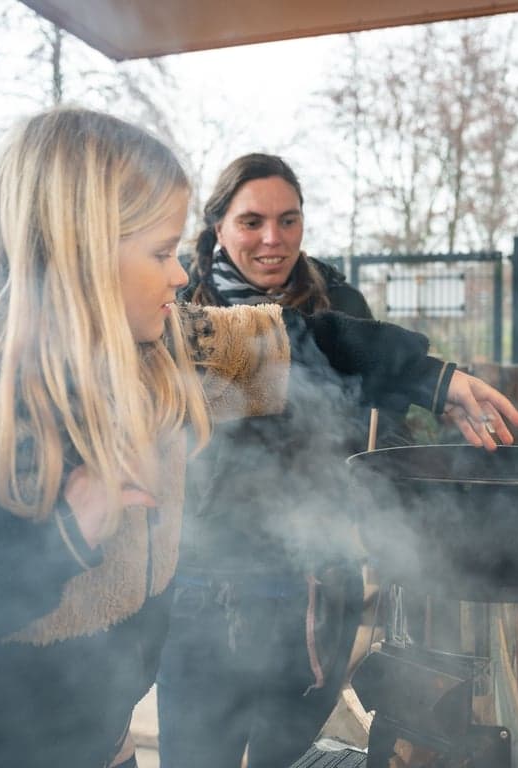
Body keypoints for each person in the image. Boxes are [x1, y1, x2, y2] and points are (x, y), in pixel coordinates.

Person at [0, 106, 518, 768]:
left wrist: (434, 380)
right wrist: (63, 536)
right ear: (78, 251)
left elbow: (300, 344)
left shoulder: (157, 352)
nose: (180, 273)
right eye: (159, 252)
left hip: (103, 740)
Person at [156, 153, 406, 767]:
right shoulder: (174, 302)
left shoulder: (338, 300)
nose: (274, 239)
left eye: (289, 220)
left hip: (314, 587)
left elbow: (378, 420)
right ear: (218, 226)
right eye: (252, 222)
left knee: (290, 757)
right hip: (199, 586)